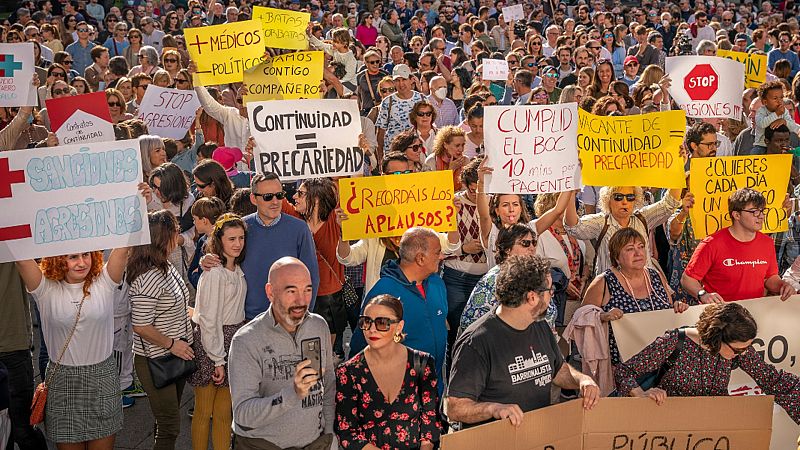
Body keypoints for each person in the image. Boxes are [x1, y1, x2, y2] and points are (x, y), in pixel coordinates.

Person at [445, 255, 600, 428]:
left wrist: (582, 380)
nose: (552, 295)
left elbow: (558, 370)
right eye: (550, 290)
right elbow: (455, 408)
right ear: (532, 297)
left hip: (534, 436)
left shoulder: (540, 325)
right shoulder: (476, 342)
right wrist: (493, 409)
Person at [14, 240, 133, 448]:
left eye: (86, 254)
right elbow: (22, 261)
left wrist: (136, 207)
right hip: (63, 382)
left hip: (102, 380)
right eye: (73, 257)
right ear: (59, 260)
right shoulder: (45, 288)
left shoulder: (104, 281)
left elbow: (122, 249)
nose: (81, 262)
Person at [615, 303, 800, 424]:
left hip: (713, 426)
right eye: (738, 350)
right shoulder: (674, 342)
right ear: (718, 339)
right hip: (670, 427)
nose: (742, 355)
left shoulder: (738, 350)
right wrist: (640, 394)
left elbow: (773, 379)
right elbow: (624, 371)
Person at [228, 257, 336, 450]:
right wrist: (292, 394)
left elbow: (328, 385)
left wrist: (329, 435)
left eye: (307, 290)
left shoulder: (319, 326)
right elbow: (242, 413)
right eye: (291, 291)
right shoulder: (246, 340)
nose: (301, 301)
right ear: (270, 292)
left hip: (314, 443)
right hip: (261, 445)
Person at [201, 173, 319, 320]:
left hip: (288, 319)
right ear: (253, 199)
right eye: (268, 196)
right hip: (247, 319)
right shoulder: (241, 227)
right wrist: (207, 260)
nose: (275, 201)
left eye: (279, 195)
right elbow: (222, 259)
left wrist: (303, 316)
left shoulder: (299, 229)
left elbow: (312, 276)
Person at [336, 294, 441, 449]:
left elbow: (430, 419)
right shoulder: (348, 372)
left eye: (382, 323)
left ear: (399, 326)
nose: (372, 329)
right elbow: (346, 432)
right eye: (366, 322)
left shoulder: (422, 363)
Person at [349, 227, 449, 389]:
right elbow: (360, 348)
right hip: (398, 397)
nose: (442, 256)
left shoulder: (437, 284)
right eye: (437, 252)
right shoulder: (384, 293)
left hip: (432, 392)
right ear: (420, 259)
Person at [129, 210, 195, 450]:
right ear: (161, 237)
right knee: (170, 425)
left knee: (165, 421)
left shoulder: (166, 264)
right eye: (175, 231)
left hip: (175, 355)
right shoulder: (148, 276)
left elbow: (178, 306)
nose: (179, 236)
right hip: (156, 359)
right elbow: (140, 324)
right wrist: (172, 344)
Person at [189, 213, 247, 450]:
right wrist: (217, 360)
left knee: (225, 412)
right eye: (231, 238)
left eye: (241, 238)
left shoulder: (237, 269)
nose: (237, 244)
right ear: (219, 240)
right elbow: (208, 320)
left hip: (232, 342)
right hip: (212, 342)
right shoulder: (214, 273)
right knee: (204, 410)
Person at [681, 188, 797, 303]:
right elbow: (687, 279)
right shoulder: (711, 243)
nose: (761, 216)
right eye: (754, 211)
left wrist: (783, 285)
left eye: (762, 211)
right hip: (720, 315)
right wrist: (703, 294)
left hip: (753, 313)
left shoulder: (767, 242)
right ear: (736, 215)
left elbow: (770, 278)